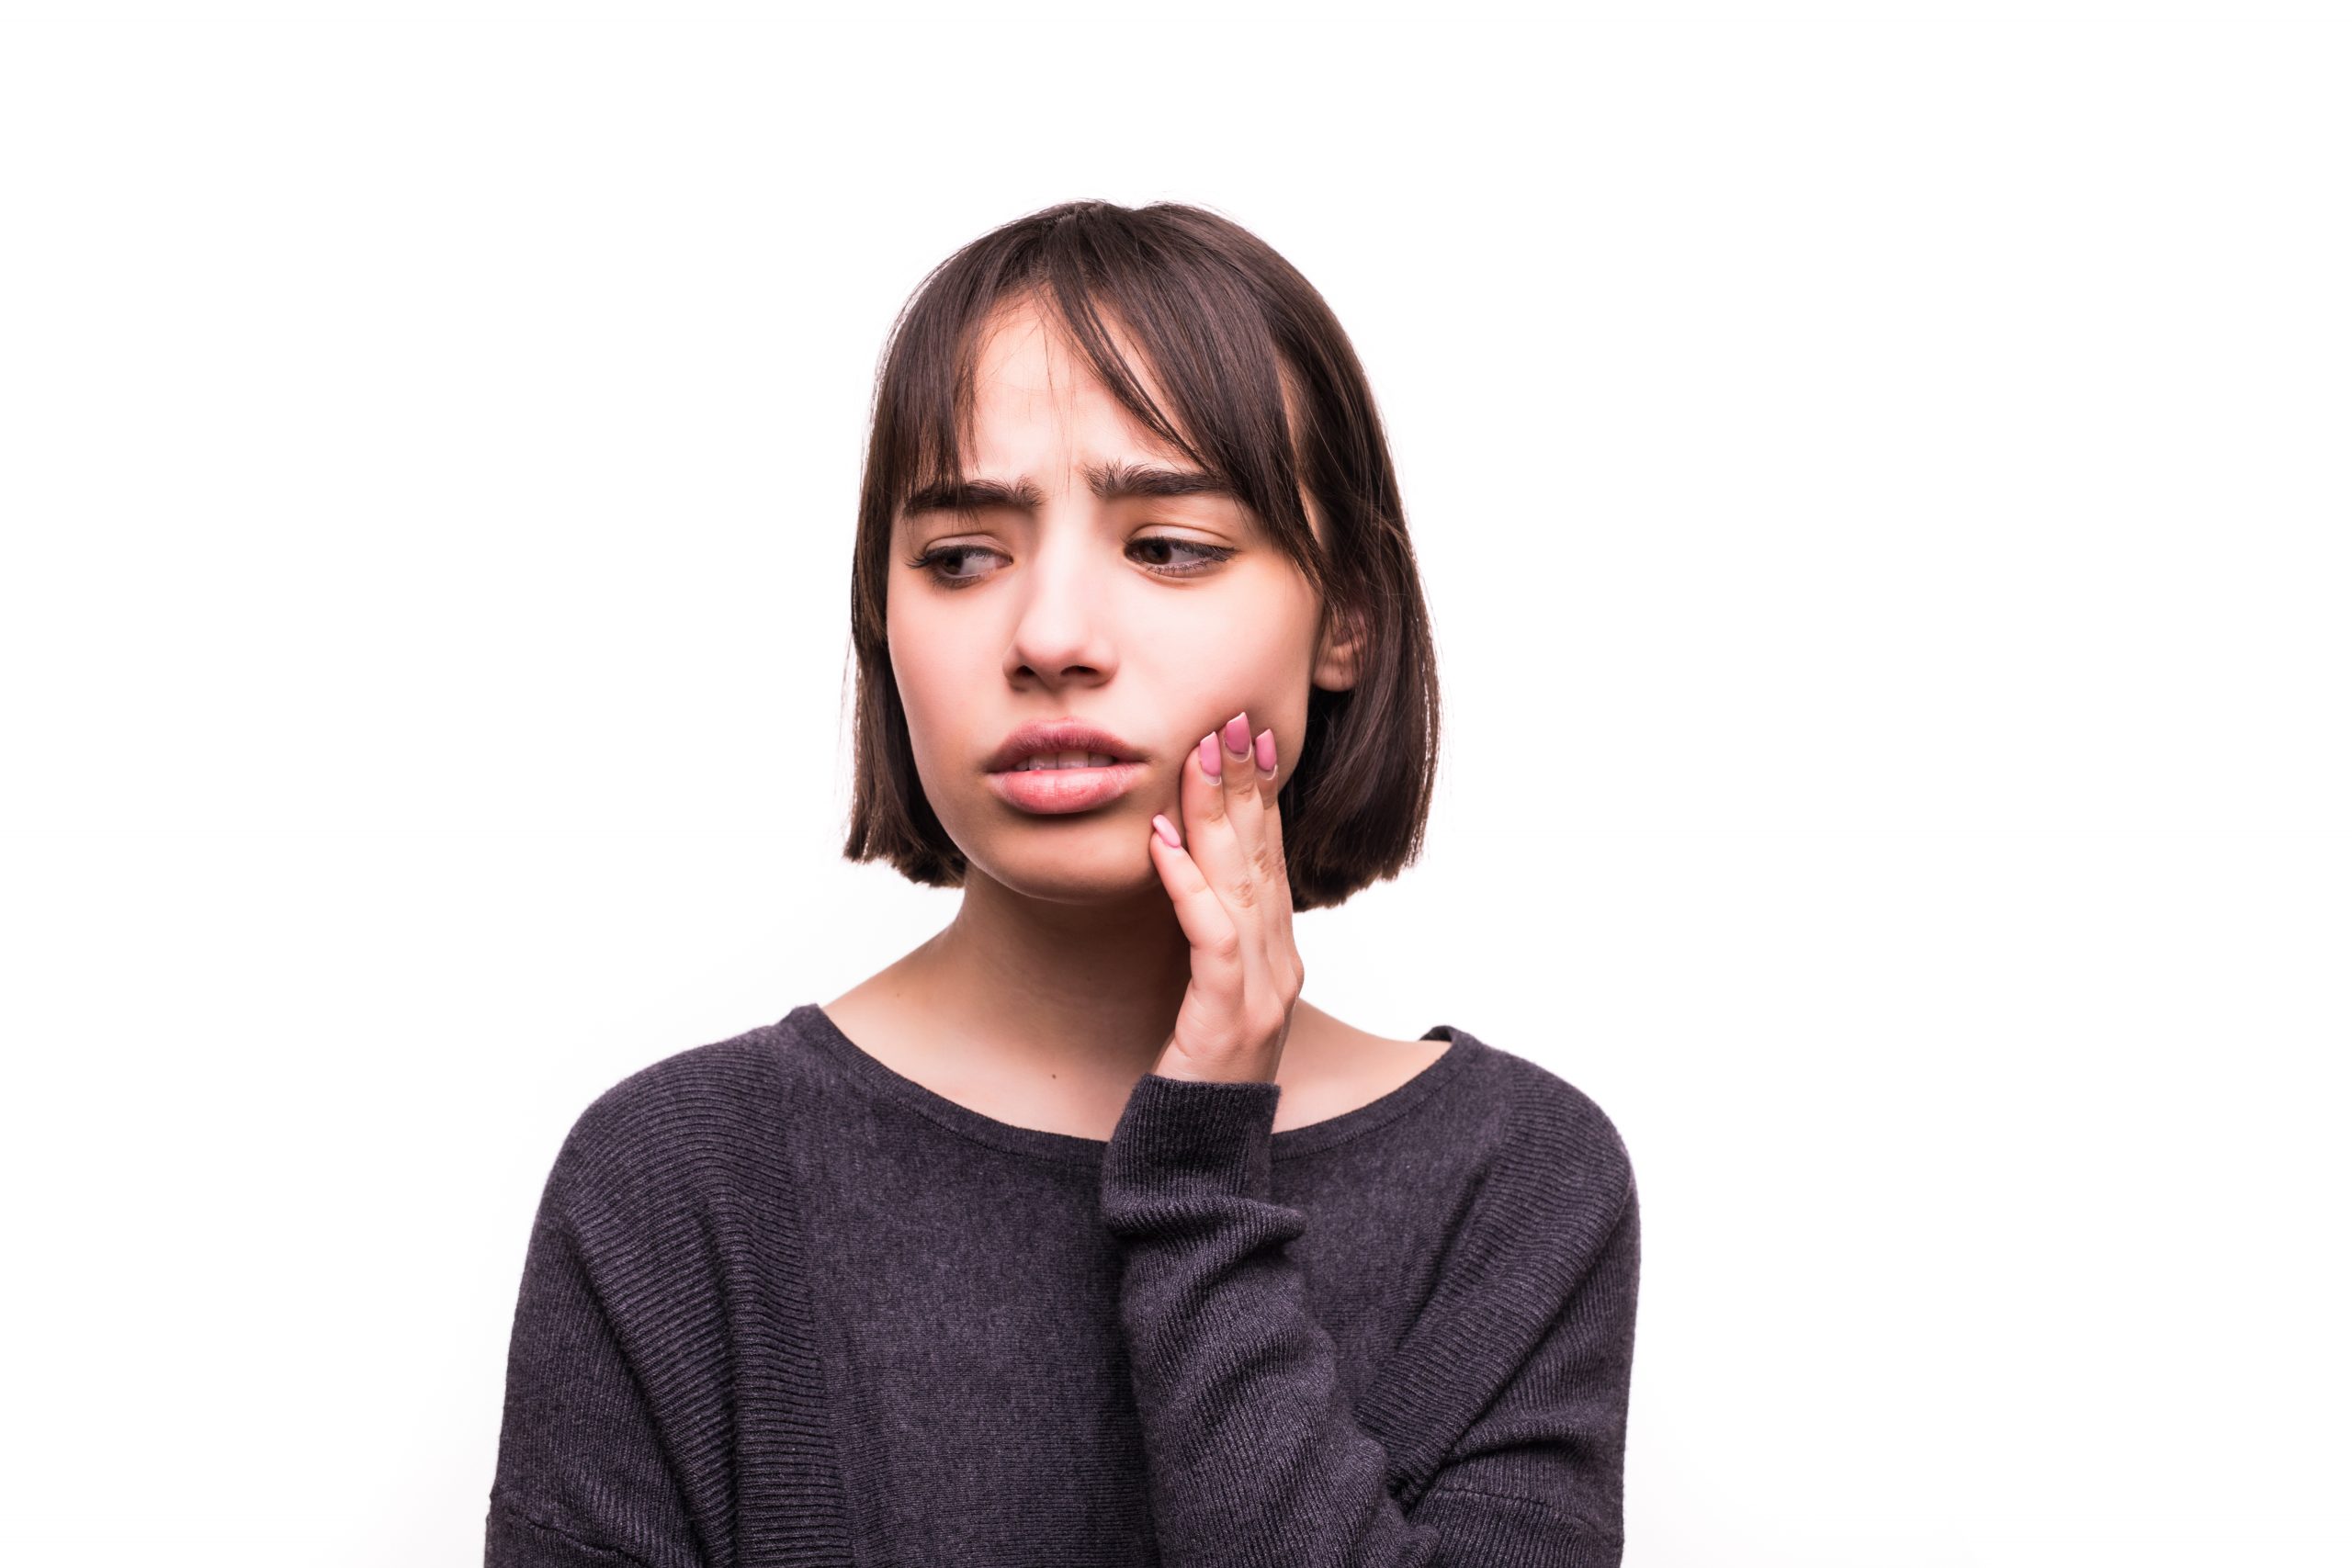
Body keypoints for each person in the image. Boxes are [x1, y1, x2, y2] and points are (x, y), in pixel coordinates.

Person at [484, 199, 1641, 1568]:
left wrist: (1204, 1164)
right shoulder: (676, 1183)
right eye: (962, 558)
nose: (1048, 637)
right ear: (884, 621)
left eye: (1167, 548)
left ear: (1346, 619)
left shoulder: (1519, 1188)